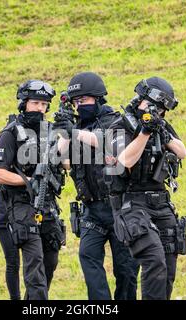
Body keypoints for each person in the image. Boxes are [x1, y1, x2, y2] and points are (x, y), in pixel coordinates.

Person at [53, 72, 138, 300]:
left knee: (126, 270)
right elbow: (63, 160)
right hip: (92, 210)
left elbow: (106, 141)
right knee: (88, 256)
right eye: (76, 102)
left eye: (84, 101)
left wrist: (74, 132)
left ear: (98, 99)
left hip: (121, 208)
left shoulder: (116, 121)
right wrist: (64, 131)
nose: (80, 106)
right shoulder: (76, 126)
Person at [106, 76, 186, 300]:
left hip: (160, 202)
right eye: (157, 108)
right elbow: (125, 160)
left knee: (168, 269)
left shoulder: (160, 123)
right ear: (143, 100)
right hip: (131, 204)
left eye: (163, 110)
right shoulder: (119, 126)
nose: (160, 113)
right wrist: (144, 132)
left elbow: (182, 152)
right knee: (154, 260)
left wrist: (159, 126)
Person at [0, 80, 66, 300]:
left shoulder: (51, 131)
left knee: (50, 261)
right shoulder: (10, 133)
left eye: (44, 105)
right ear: (24, 103)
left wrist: (67, 139)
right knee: (34, 266)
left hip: (48, 204)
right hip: (23, 205)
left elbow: (67, 164)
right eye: (35, 103)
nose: (40, 109)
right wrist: (29, 181)